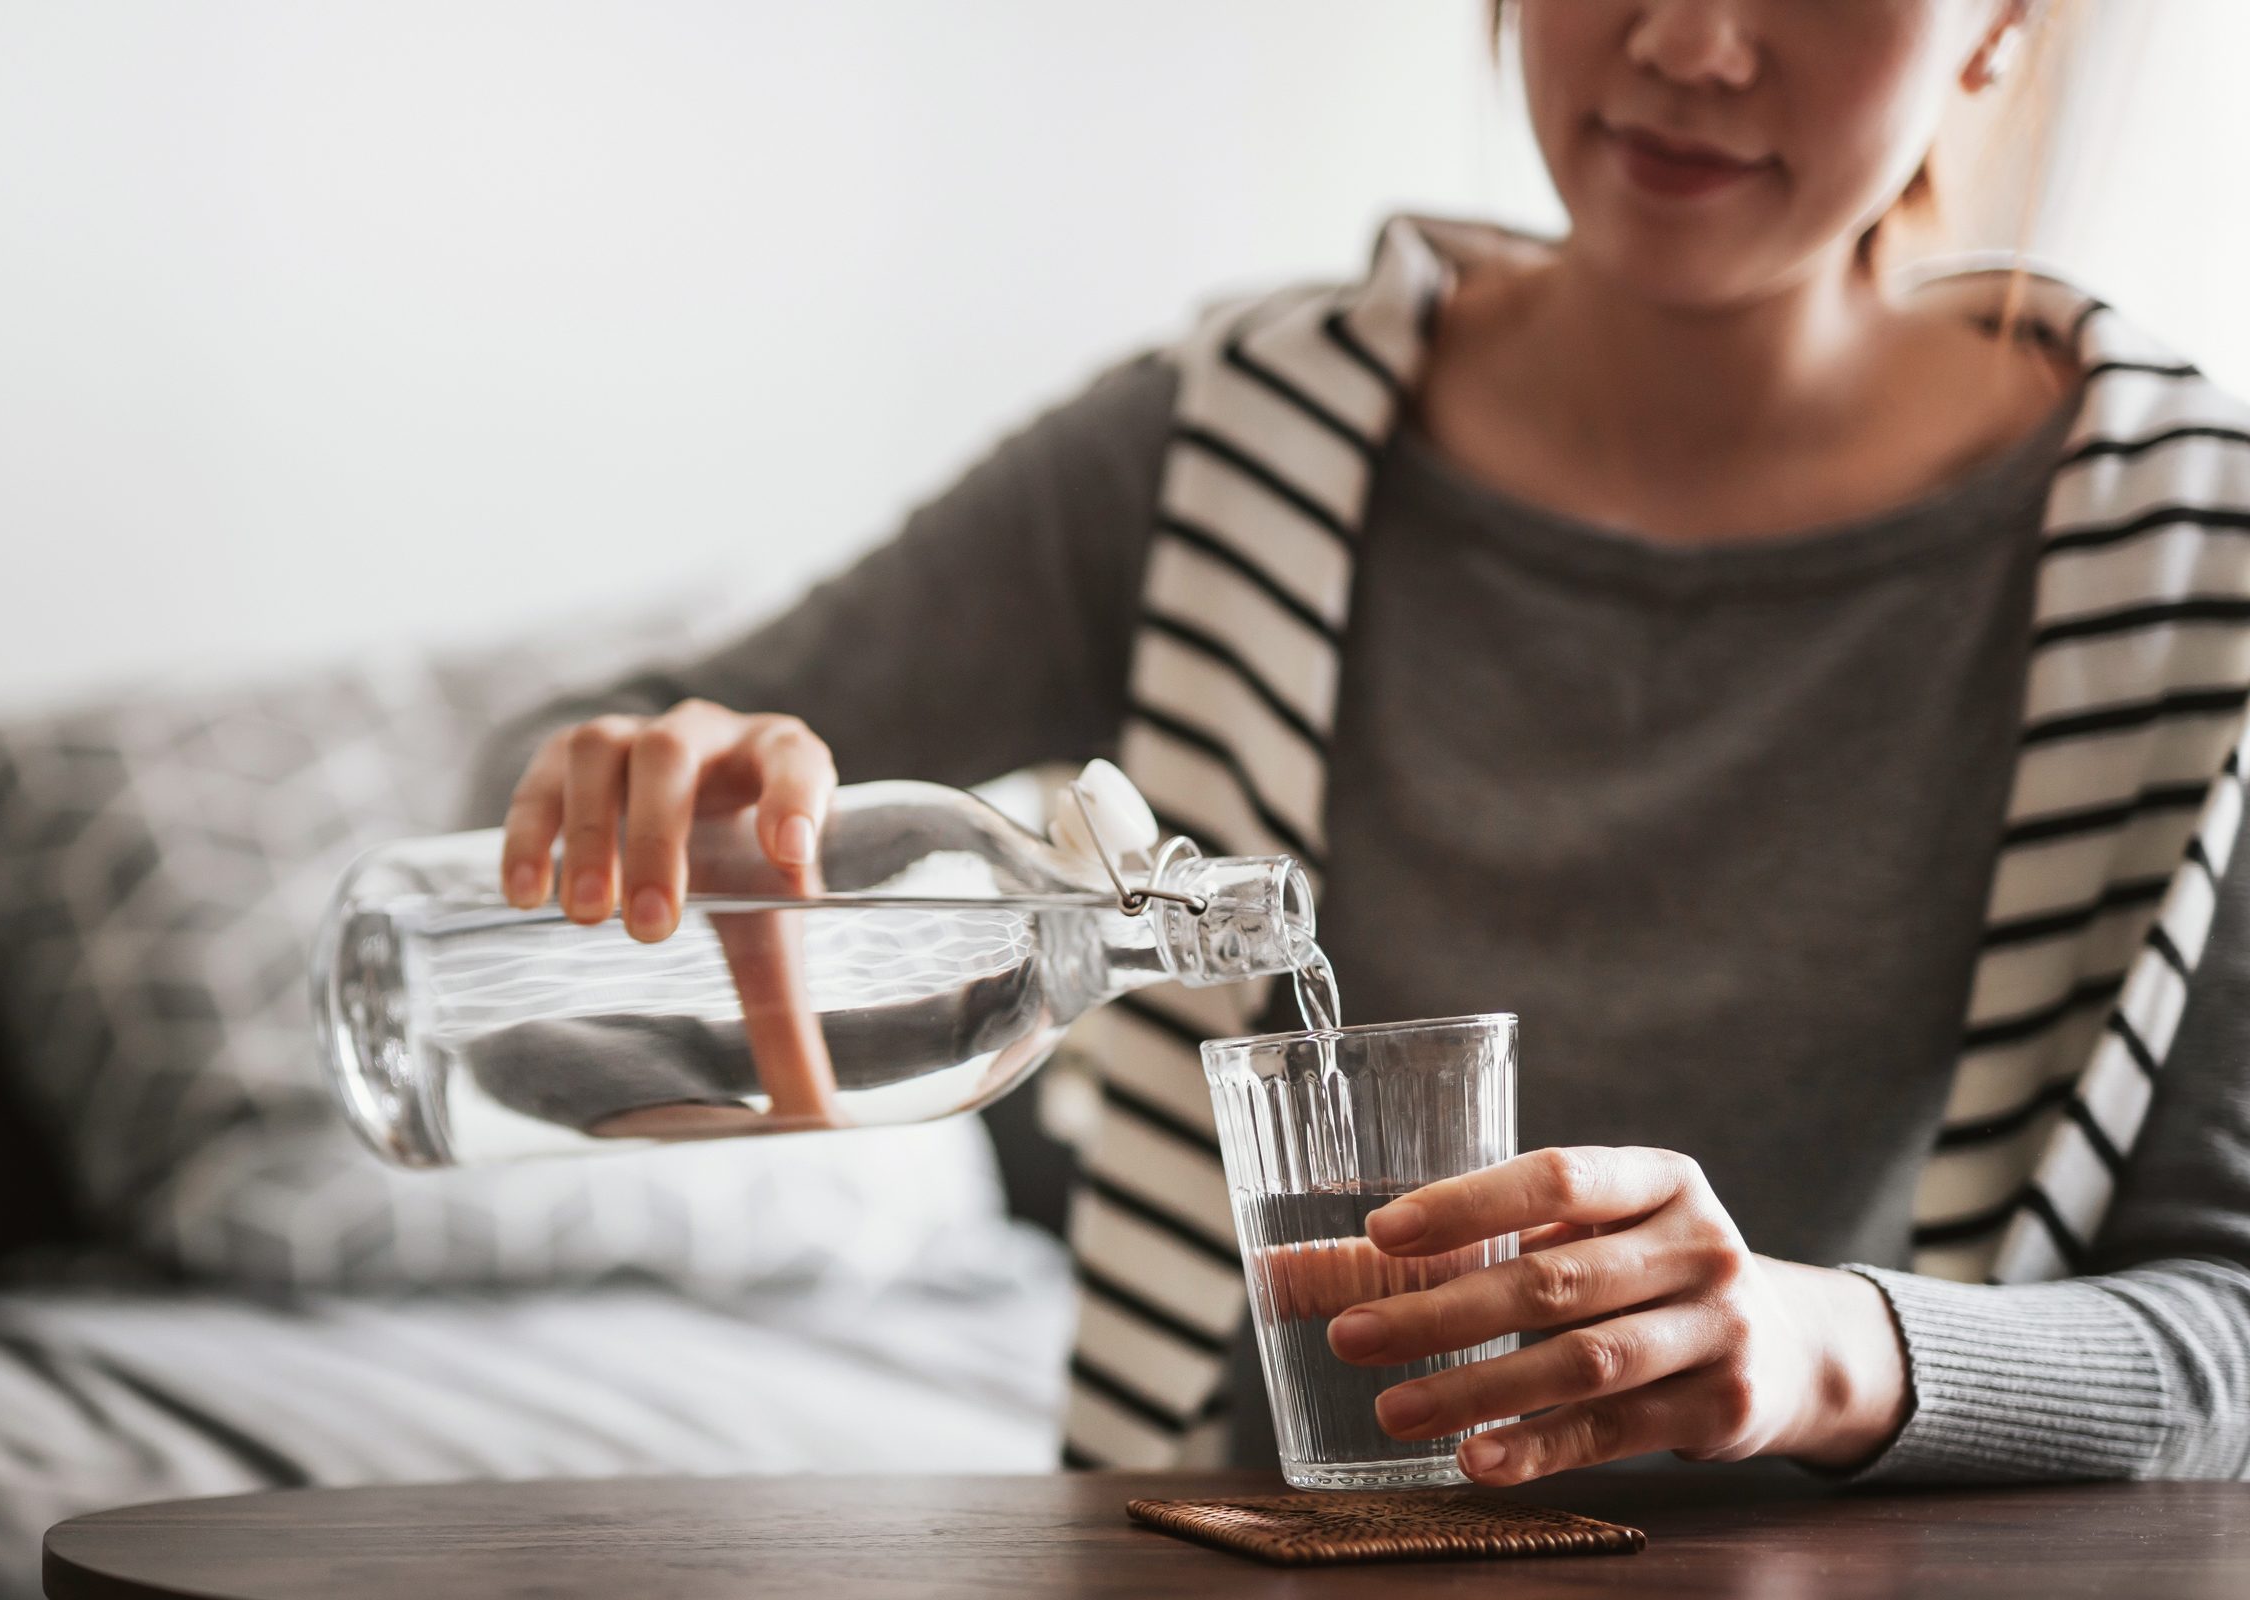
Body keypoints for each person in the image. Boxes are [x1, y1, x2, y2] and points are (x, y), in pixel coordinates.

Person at [476, 0, 2250, 1485]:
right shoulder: (1231, 451)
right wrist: (637, 797)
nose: (1693, 41)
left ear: (2010, 25)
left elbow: (2229, 1334)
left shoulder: (2186, 564)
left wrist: (1825, 1350)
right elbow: (548, 796)